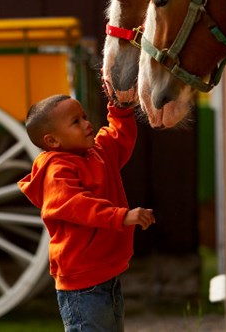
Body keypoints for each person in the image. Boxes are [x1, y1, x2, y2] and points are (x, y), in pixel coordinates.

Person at [18, 92, 155, 332]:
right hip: (82, 285)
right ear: (52, 141)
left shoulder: (97, 152)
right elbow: (77, 205)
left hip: (106, 275)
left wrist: (120, 106)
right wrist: (120, 216)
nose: (87, 123)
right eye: (76, 122)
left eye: (83, 116)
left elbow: (119, 136)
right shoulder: (56, 171)